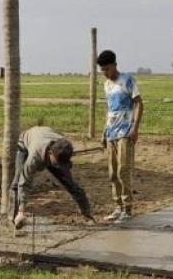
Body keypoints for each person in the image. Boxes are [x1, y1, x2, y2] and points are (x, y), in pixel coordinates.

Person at [10, 126, 94, 229]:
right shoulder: (34, 157)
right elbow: (25, 181)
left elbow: (62, 163)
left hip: (47, 137)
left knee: (69, 183)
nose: (59, 167)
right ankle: (15, 218)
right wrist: (22, 210)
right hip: (25, 144)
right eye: (56, 163)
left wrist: (61, 166)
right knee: (17, 182)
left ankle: (87, 214)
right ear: (50, 153)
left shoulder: (65, 147)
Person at [96, 50, 143, 224]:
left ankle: (127, 208)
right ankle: (118, 207)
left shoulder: (128, 80)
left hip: (125, 132)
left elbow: (139, 104)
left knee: (123, 170)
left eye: (107, 70)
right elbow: (109, 110)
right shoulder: (107, 85)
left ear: (115, 65)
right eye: (103, 71)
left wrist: (135, 128)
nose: (106, 74)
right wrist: (104, 131)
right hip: (111, 133)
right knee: (112, 172)